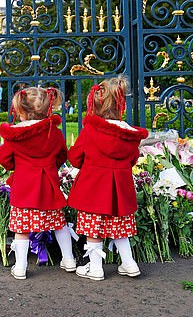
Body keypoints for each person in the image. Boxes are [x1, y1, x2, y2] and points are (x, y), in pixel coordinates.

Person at [67, 76, 148, 281]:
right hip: (120, 190)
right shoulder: (128, 134)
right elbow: (132, 159)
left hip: (93, 189)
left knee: (93, 228)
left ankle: (95, 268)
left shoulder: (90, 131)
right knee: (120, 228)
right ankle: (129, 263)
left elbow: (76, 158)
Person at [0, 87, 75, 280]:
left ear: (21, 110)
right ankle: (69, 259)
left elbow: (5, 160)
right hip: (48, 183)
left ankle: (21, 267)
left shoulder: (15, 135)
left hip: (24, 186)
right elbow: (62, 156)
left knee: (22, 228)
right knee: (58, 223)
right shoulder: (53, 133)